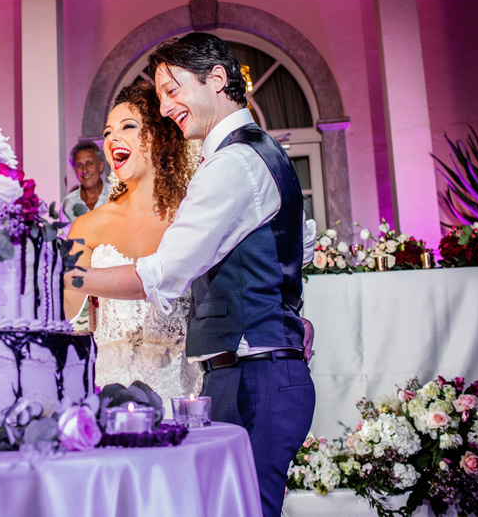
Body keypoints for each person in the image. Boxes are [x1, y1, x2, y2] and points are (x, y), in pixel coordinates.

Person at [64, 33, 314, 517]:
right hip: (238, 372)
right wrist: (286, 312)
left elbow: (161, 274)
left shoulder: (233, 164)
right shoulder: (255, 153)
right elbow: (283, 254)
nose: (167, 105)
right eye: (159, 96)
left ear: (217, 79)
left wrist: (68, 274)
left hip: (250, 376)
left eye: (172, 90)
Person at [64, 82, 202, 410]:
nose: (112, 139)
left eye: (128, 126)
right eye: (108, 131)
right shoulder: (87, 225)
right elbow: (63, 308)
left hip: (184, 394)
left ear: (159, 136)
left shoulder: (194, 218)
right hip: (110, 395)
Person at [61, 140, 110, 223]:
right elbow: (64, 235)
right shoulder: (68, 203)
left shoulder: (119, 196)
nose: (84, 170)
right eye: (79, 165)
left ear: (101, 166)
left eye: (90, 163)